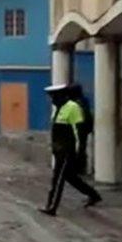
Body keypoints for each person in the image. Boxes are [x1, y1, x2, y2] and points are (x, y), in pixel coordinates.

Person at [39, 83, 102, 216]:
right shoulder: (58, 108)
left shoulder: (72, 107)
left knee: (58, 179)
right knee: (71, 177)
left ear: (61, 96)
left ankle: (52, 207)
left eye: (54, 96)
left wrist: (79, 151)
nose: (52, 99)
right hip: (58, 150)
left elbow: (78, 132)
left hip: (66, 151)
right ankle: (94, 195)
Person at [68, 84, 93, 174]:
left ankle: (77, 167)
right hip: (83, 127)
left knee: (77, 147)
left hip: (77, 127)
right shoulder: (84, 101)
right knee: (81, 147)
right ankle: (80, 167)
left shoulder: (72, 102)